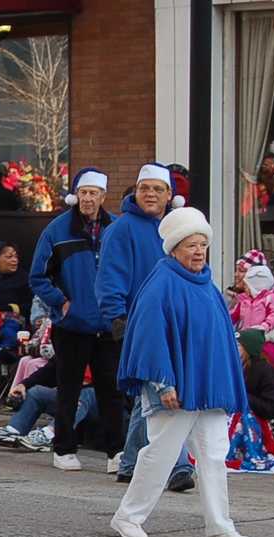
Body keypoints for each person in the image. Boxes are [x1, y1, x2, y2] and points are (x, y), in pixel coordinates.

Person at [109, 207, 255, 537]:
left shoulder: (208, 285)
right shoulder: (161, 283)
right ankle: (128, 517)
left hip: (208, 389)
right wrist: (163, 383)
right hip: (174, 388)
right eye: (191, 244)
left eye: (202, 244)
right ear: (174, 248)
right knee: (161, 452)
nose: (199, 251)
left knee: (215, 455)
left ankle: (219, 525)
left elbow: (219, 339)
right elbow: (148, 337)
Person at [97, 163, 193, 484]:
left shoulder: (174, 229)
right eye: (144, 188)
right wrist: (118, 319)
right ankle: (179, 466)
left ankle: (128, 463)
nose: (150, 194)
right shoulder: (121, 230)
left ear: (169, 195)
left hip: (174, 324)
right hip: (138, 324)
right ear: (136, 192)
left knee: (148, 394)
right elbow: (109, 279)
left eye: (157, 189)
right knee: (162, 390)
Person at [29, 168, 126, 473]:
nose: (87, 199)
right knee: (68, 387)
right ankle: (63, 448)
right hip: (71, 325)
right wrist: (62, 302)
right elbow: (38, 277)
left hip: (108, 324)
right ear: (76, 196)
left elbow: (128, 271)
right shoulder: (57, 230)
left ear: (102, 196)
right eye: (83, 193)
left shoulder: (116, 228)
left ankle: (117, 452)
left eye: (93, 193)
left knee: (111, 390)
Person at [0, 360, 99, 452]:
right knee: (37, 392)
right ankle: (13, 430)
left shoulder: (106, 346)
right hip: (70, 394)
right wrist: (24, 385)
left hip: (100, 403)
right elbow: (49, 369)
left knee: (83, 394)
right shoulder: (72, 343)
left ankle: (48, 435)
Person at [228, 329, 274, 474]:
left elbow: (272, 409)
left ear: (249, 348)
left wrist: (243, 397)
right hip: (247, 414)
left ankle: (247, 453)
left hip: (267, 421)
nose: (234, 348)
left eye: (239, 345)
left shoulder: (266, 371)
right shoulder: (238, 368)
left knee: (241, 418)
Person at [230, 264, 274, 369]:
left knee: (269, 359)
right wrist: (223, 322)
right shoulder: (243, 300)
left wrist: (265, 326)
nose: (245, 288)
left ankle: (271, 375)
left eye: (247, 285)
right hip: (246, 338)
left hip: (263, 338)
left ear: (256, 286)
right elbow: (232, 315)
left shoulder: (271, 298)